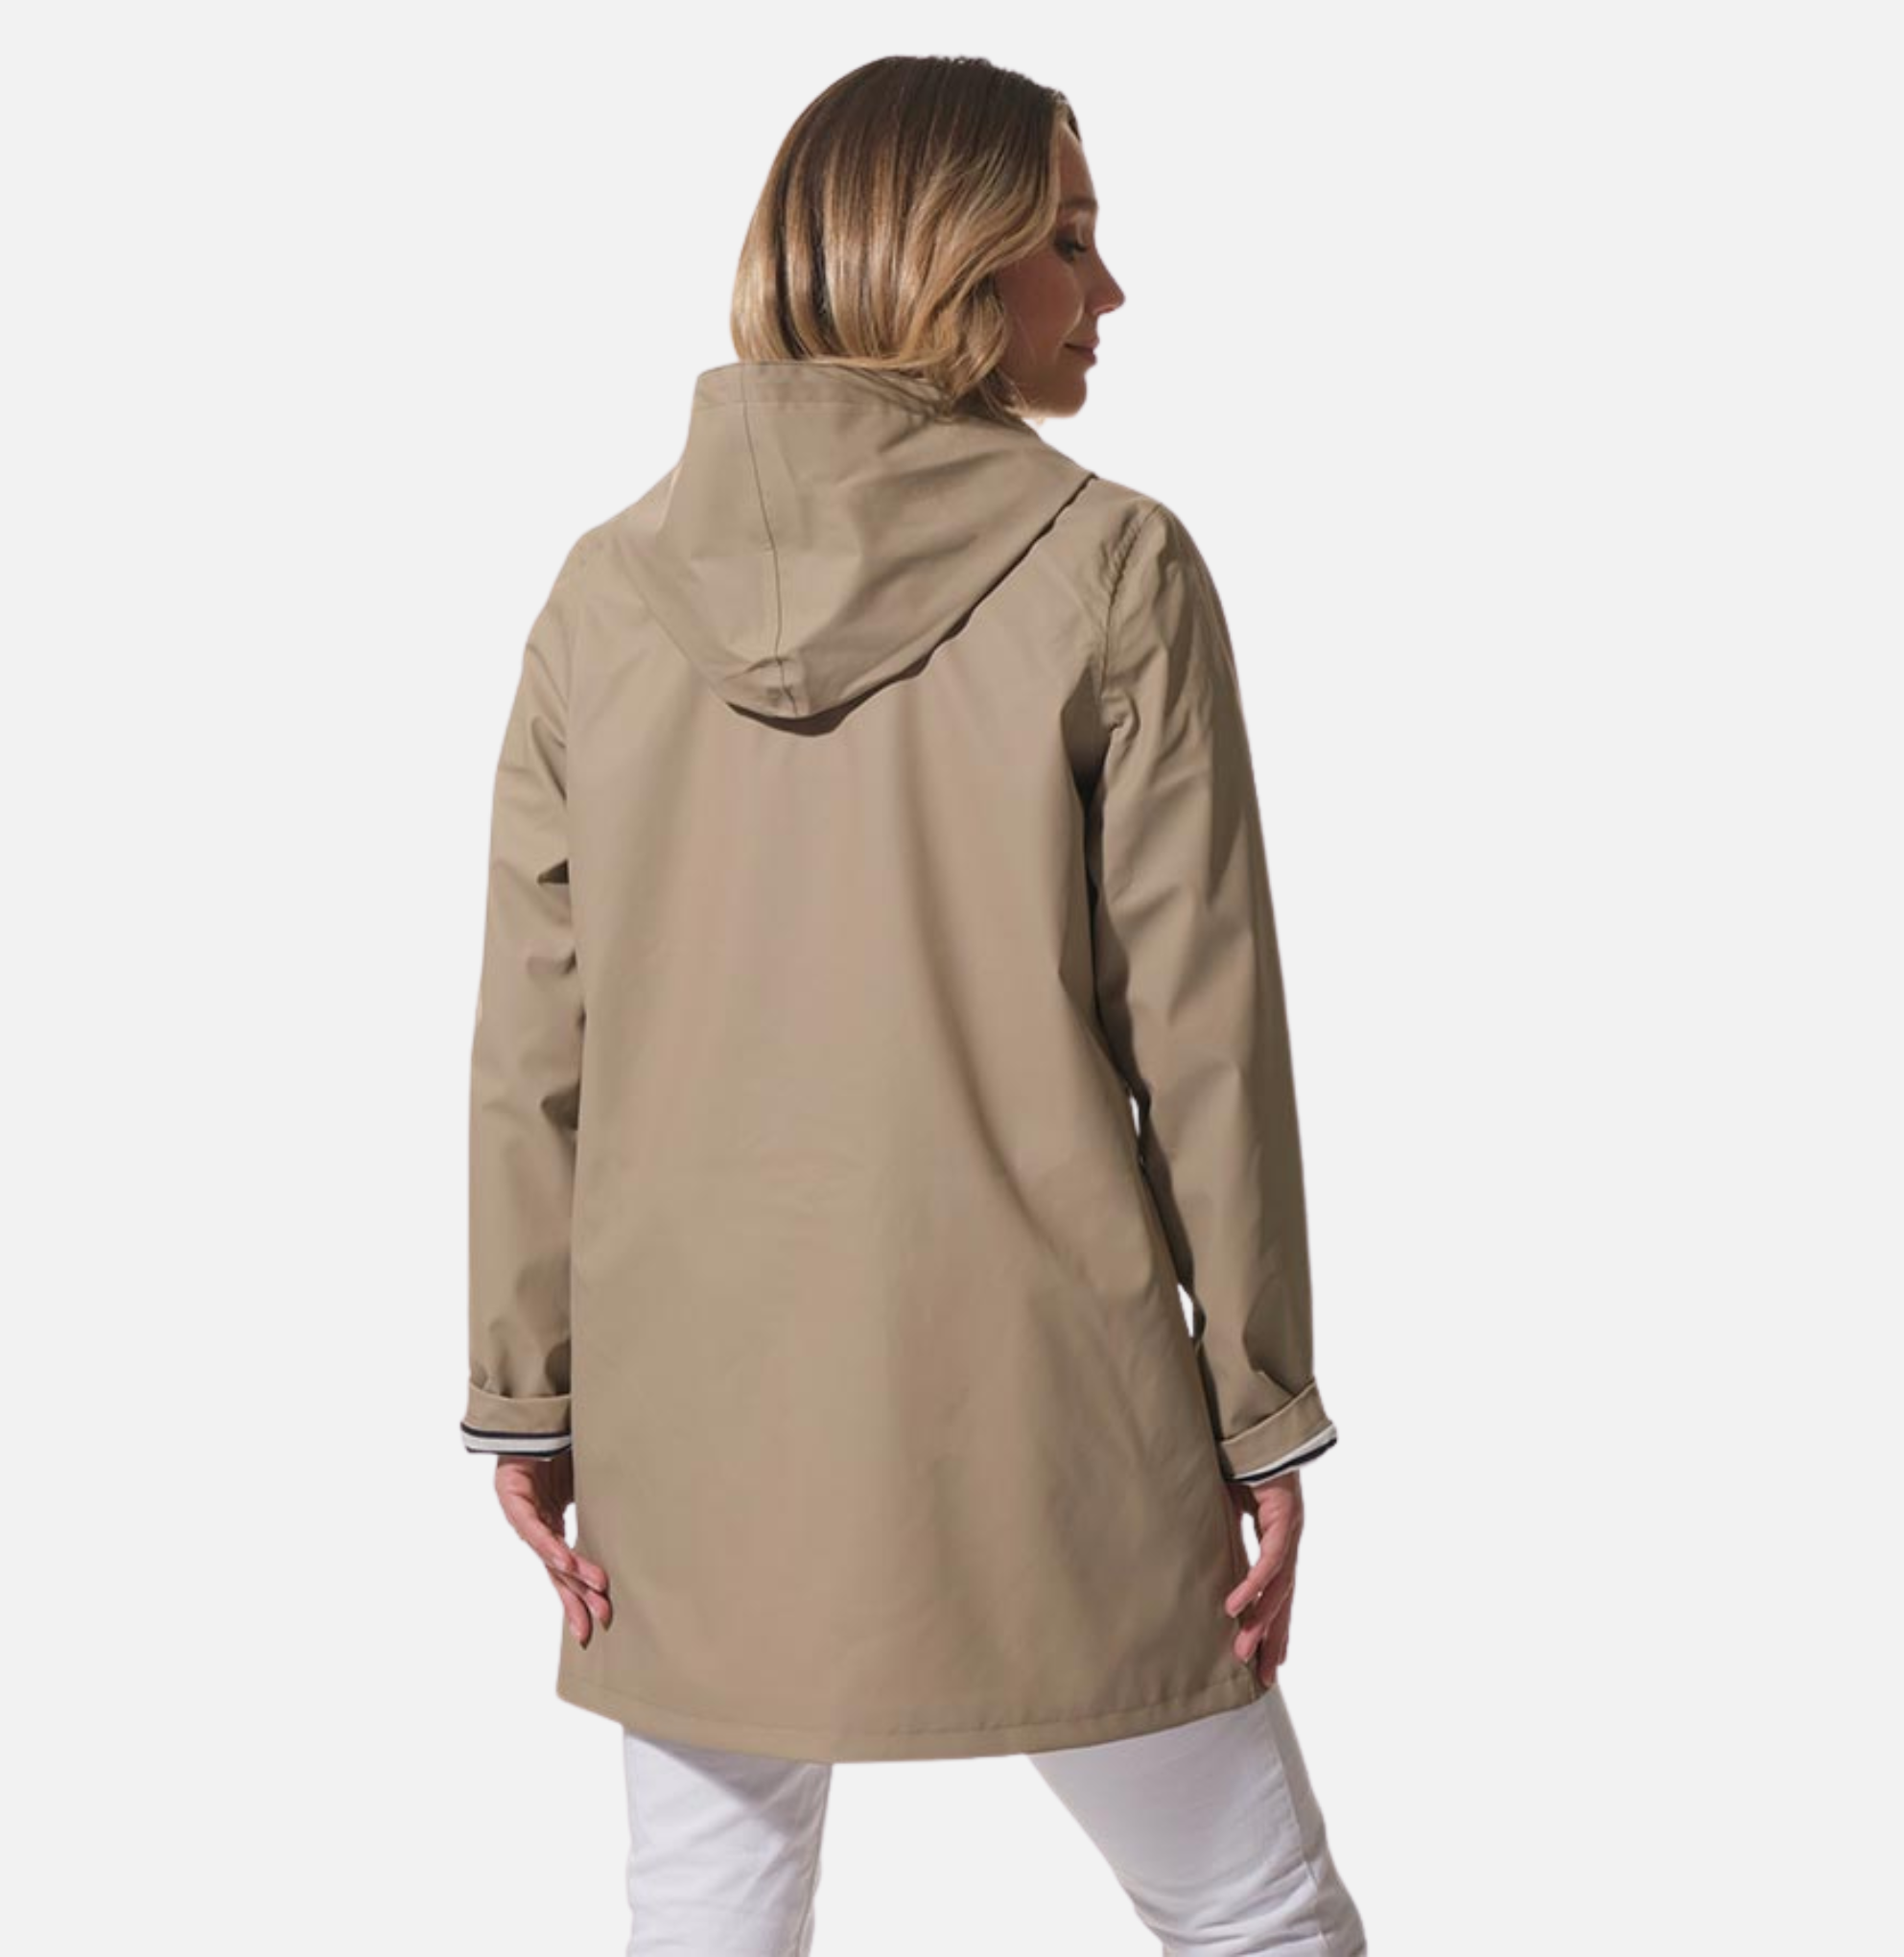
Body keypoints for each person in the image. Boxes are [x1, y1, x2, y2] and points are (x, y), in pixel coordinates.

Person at [458, 53, 1367, 1956]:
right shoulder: (1114, 566)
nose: (1106, 291)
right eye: (1071, 240)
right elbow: (1205, 1035)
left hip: (695, 1422)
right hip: (1053, 1406)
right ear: (955, 263)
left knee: (706, 1912)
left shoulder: (602, 598)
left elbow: (538, 1048)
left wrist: (528, 1395)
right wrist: (1263, 1410)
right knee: (1255, 1909)